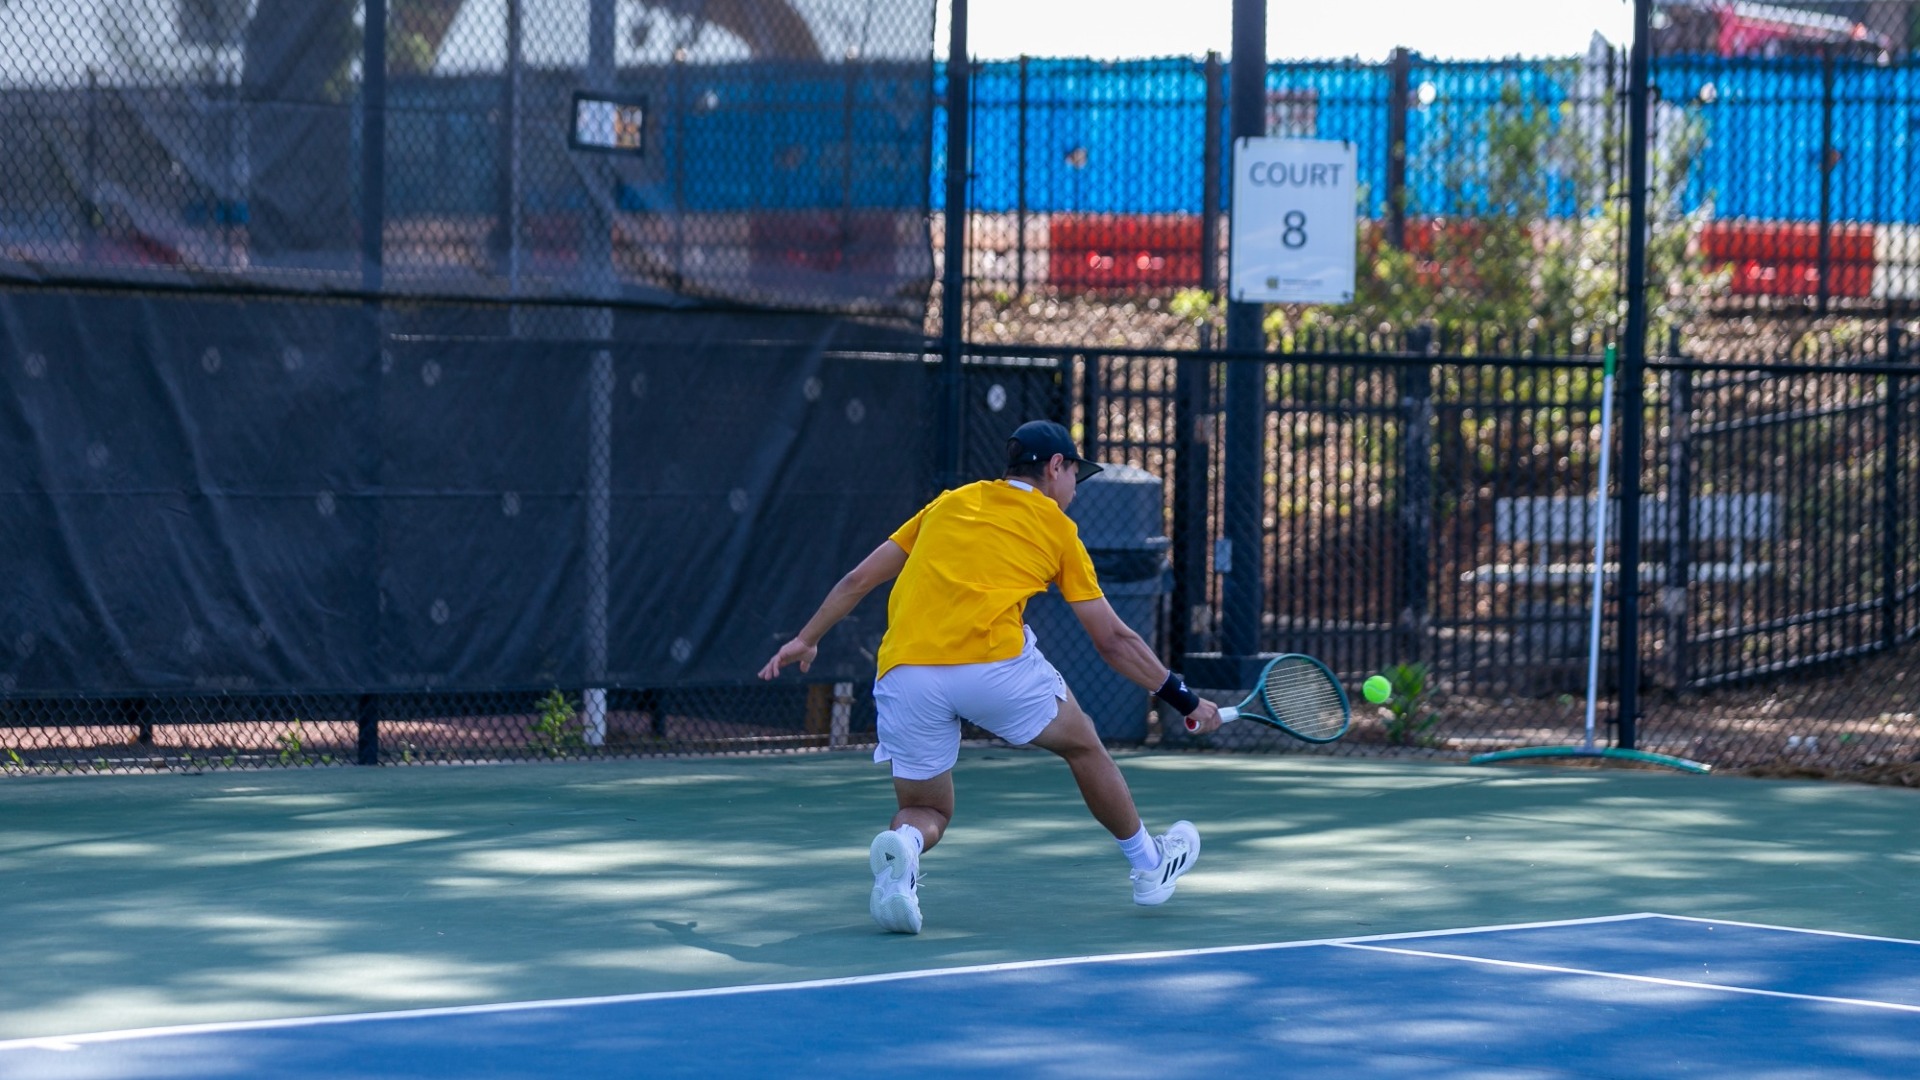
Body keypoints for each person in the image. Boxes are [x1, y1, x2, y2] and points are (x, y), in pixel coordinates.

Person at [758, 419, 1223, 934]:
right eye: (1075, 474)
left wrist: (808, 637)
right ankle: (1149, 865)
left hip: (906, 673)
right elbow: (1113, 640)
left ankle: (904, 855)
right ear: (1054, 467)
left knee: (923, 807)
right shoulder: (1058, 528)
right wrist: (1184, 699)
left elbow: (858, 579)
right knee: (1084, 744)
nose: (1074, 488)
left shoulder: (949, 503)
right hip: (994, 669)